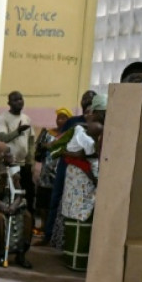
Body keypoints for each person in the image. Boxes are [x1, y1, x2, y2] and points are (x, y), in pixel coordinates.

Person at [43, 90, 96, 245]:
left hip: (86, 168)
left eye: (90, 99)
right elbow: (61, 140)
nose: (86, 101)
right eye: (84, 98)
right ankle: (49, 235)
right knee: (56, 197)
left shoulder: (97, 123)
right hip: (66, 164)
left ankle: (70, 241)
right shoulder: (73, 122)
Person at [0, 140, 33, 268]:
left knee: (27, 217)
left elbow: (19, 192)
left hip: (11, 203)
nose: (9, 156)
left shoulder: (12, 171)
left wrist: (14, 205)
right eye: (5, 153)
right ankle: (2, 254)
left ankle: (21, 254)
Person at [32, 107, 72, 243]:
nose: (60, 120)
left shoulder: (69, 134)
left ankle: (53, 230)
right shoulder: (48, 133)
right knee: (43, 201)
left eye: (64, 118)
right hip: (45, 174)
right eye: (59, 117)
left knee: (54, 203)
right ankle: (43, 227)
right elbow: (39, 151)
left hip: (60, 173)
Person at [0, 91, 35, 213]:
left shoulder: (26, 119)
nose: (19, 101)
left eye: (20, 99)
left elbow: (31, 141)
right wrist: (18, 131)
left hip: (24, 164)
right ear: (9, 103)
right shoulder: (3, 118)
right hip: (10, 164)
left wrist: (31, 162)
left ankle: (27, 224)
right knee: (12, 194)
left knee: (27, 193)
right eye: (15, 100)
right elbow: (3, 138)